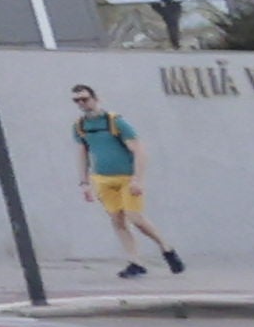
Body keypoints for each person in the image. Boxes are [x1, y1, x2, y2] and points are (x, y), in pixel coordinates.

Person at [63, 79, 186, 278]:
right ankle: (135, 262)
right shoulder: (80, 126)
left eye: (84, 99)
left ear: (95, 99)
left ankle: (166, 248)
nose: (81, 104)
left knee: (135, 217)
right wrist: (84, 182)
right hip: (103, 179)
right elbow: (82, 153)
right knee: (117, 219)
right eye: (76, 101)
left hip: (126, 178)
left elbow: (139, 150)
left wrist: (138, 179)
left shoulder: (115, 122)